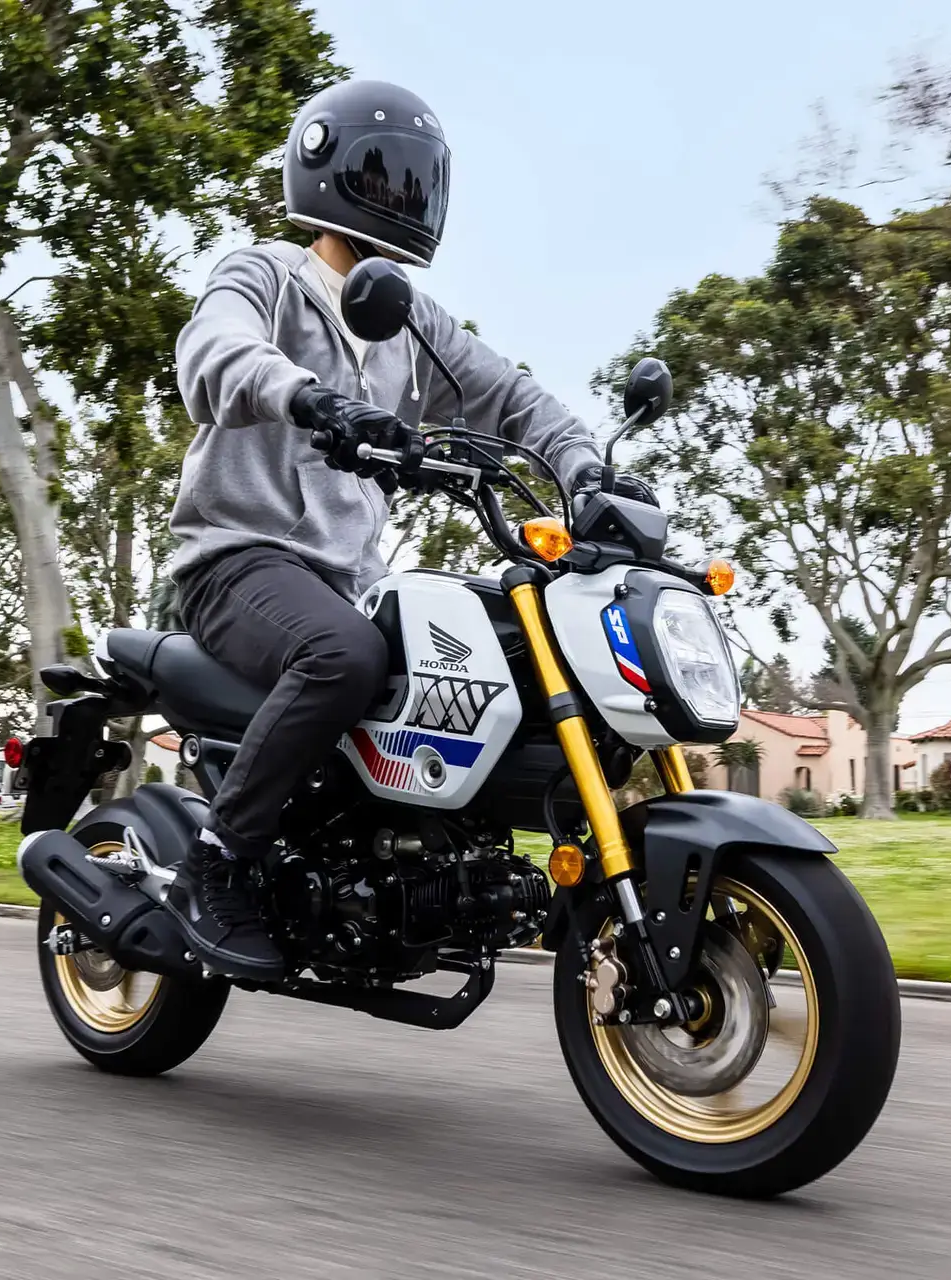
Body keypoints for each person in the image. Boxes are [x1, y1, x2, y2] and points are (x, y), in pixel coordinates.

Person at [164, 80, 658, 979]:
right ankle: (215, 862)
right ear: (327, 170)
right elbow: (212, 356)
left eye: (417, 185)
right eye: (384, 179)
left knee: (480, 653)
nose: (403, 201)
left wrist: (585, 469)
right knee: (344, 657)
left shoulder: (413, 323)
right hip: (235, 561)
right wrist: (309, 398)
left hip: (338, 582)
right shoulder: (264, 276)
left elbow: (511, 396)